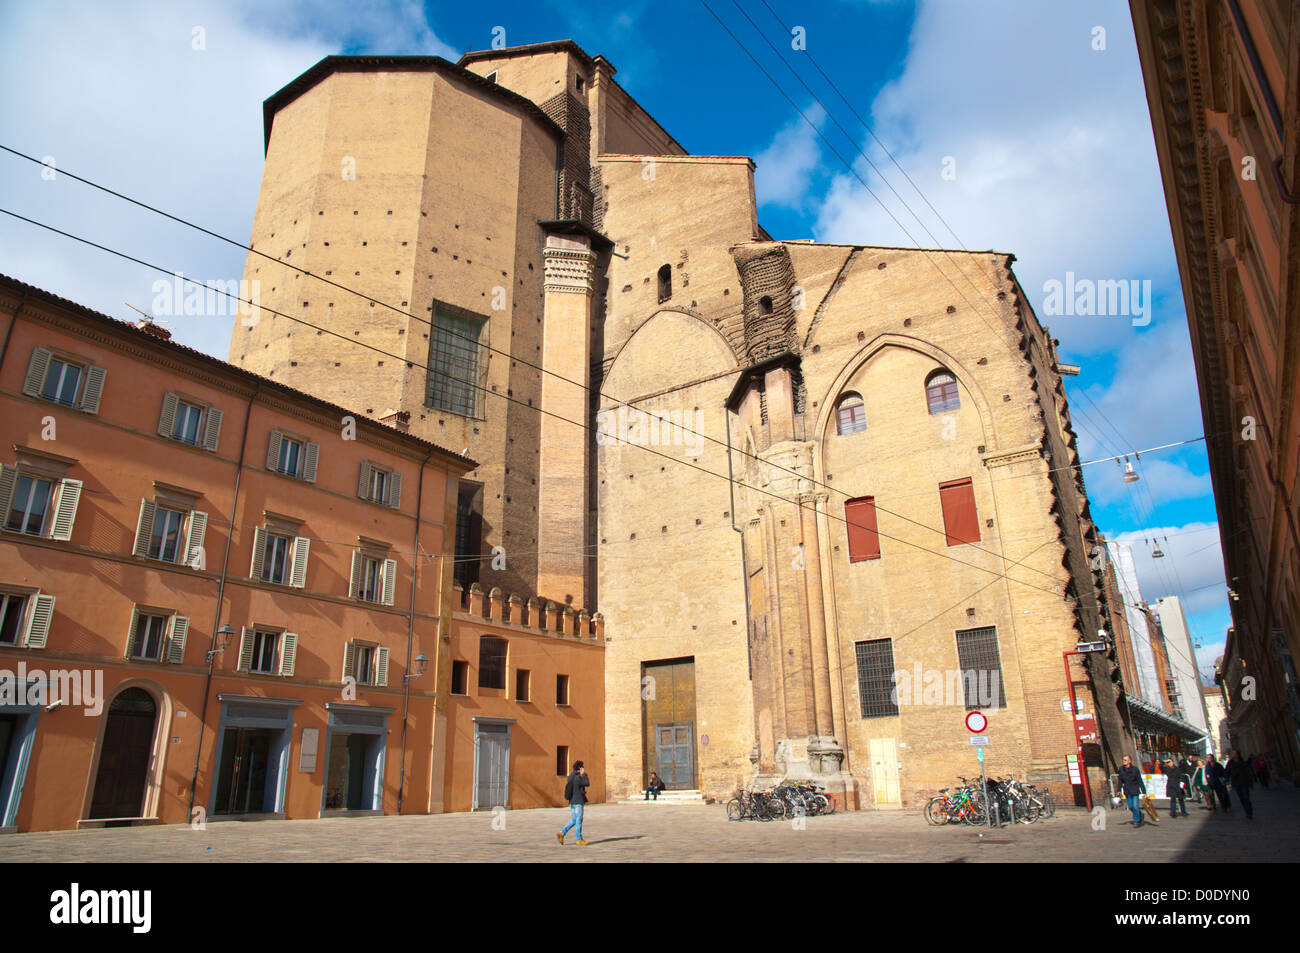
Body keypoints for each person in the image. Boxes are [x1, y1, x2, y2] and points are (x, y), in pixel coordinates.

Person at [557, 760, 591, 845]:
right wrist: (584, 774)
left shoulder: (571, 776)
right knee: (578, 820)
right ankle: (579, 839)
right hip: (578, 801)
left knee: (574, 820)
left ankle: (562, 832)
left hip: (572, 801)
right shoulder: (578, 777)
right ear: (580, 768)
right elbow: (587, 783)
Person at [1118, 755, 1147, 828]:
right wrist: (1118, 790)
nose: (1124, 761)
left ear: (1129, 761)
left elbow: (1140, 781)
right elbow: (1120, 780)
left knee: (1135, 806)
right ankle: (1140, 814)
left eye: (1125, 760)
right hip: (1127, 790)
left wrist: (1144, 792)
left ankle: (1136, 821)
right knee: (1131, 807)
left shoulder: (1135, 769)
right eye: (1123, 760)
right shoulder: (1121, 769)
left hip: (1134, 790)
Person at [1226, 750, 1254, 820]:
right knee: (1241, 798)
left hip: (1244, 782)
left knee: (1246, 797)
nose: (1234, 755)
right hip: (1236, 783)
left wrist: (1250, 783)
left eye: (1235, 754)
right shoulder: (1230, 763)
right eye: (1233, 754)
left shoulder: (1242, 762)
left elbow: (1248, 772)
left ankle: (1249, 812)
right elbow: (1227, 772)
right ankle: (1247, 811)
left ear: (1238, 755)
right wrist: (1226, 779)